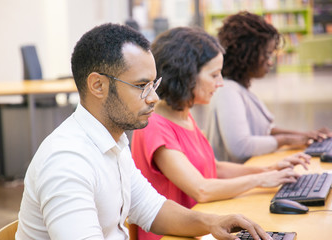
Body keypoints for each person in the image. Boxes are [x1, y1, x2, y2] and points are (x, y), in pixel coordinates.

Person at [15, 23, 273, 240]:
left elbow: (153, 209)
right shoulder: (67, 162)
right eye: (141, 85)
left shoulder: (113, 141)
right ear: (97, 85)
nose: (153, 97)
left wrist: (212, 223)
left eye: (153, 84)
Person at [131, 26, 311, 240]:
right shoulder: (154, 126)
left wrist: (267, 169)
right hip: (174, 235)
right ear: (187, 76)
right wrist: (262, 179)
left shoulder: (183, 114)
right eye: (214, 74)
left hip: (199, 225)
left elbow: (212, 167)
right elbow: (201, 188)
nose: (221, 83)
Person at [191, 11, 331, 163]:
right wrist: (286, 140)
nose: (270, 62)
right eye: (267, 54)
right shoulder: (228, 92)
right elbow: (240, 147)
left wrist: (305, 135)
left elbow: (264, 130)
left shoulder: (240, 89)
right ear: (247, 54)